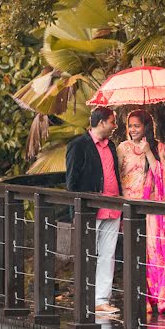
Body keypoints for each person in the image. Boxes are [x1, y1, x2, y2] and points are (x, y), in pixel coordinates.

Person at [117, 109, 165, 314]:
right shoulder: (123, 148)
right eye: (130, 125)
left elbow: (164, 177)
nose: (133, 129)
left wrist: (148, 151)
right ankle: (139, 298)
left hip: (152, 210)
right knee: (134, 253)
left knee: (153, 252)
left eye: (137, 125)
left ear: (146, 127)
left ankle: (159, 298)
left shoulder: (159, 148)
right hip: (130, 208)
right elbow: (117, 176)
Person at [65, 106, 122, 314]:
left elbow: (113, 174)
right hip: (90, 209)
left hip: (113, 207)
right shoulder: (78, 146)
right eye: (112, 121)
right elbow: (71, 183)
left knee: (108, 255)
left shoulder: (112, 146)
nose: (115, 126)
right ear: (101, 123)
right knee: (87, 254)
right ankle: (85, 298)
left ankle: (101, 300)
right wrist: (80, 206)